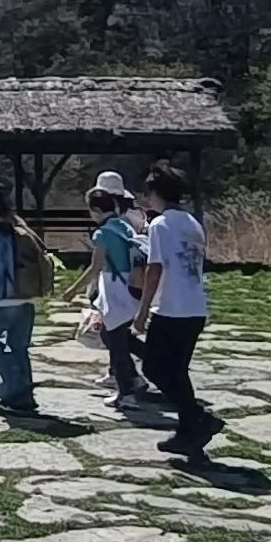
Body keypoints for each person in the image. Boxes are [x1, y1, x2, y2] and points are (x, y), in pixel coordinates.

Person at [138, 163, 222, 458]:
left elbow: (154, 267)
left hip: (171, 306)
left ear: (156, 193)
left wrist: (143, 309)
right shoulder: (192, 222)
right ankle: (189, 430)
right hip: (195, 304)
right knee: (176, 370)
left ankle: (197, 417)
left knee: (154, 368)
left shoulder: (160, 224)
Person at [0, 179, 51, 413]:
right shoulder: (18, 224)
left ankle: (15, 386)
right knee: (19, 346)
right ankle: (24, 395)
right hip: (25, 296)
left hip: (4, 298)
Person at [84, 171, 149, 408]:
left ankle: (129, 387)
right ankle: (134, 376)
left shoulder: (104, 231)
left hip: (114, 289)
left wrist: (76, 290)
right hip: (132, 286)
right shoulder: (126, 221)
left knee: (115, 340)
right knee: (117, 337)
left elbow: (96, 266)